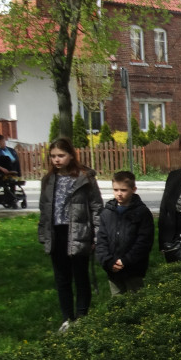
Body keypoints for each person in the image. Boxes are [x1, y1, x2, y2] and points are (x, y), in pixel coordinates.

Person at [38, 138, 104, 332]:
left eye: (61, 155)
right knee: (62, 278)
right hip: (56, 233)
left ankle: (82, 317)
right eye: (53, 156)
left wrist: (96, 236)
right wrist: (43, 234)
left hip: (78, 231)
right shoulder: (49, 180)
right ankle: (67, 318)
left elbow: (96, 207)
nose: (57, 160)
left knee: (80, 276)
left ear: (71, 156)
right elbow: (44, 209)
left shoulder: (84, 178)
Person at [96, 171, 154, 295]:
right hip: (113, 269)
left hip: (134, 268)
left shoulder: (142, 212)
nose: (119, 194)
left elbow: (144, 242)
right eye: (115, 190)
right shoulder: (107, 213)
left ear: (133, 189)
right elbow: (101, 240)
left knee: (135, 301)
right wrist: (108, 261)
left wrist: (126, 261)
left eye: (123, 190)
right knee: (117, 303)